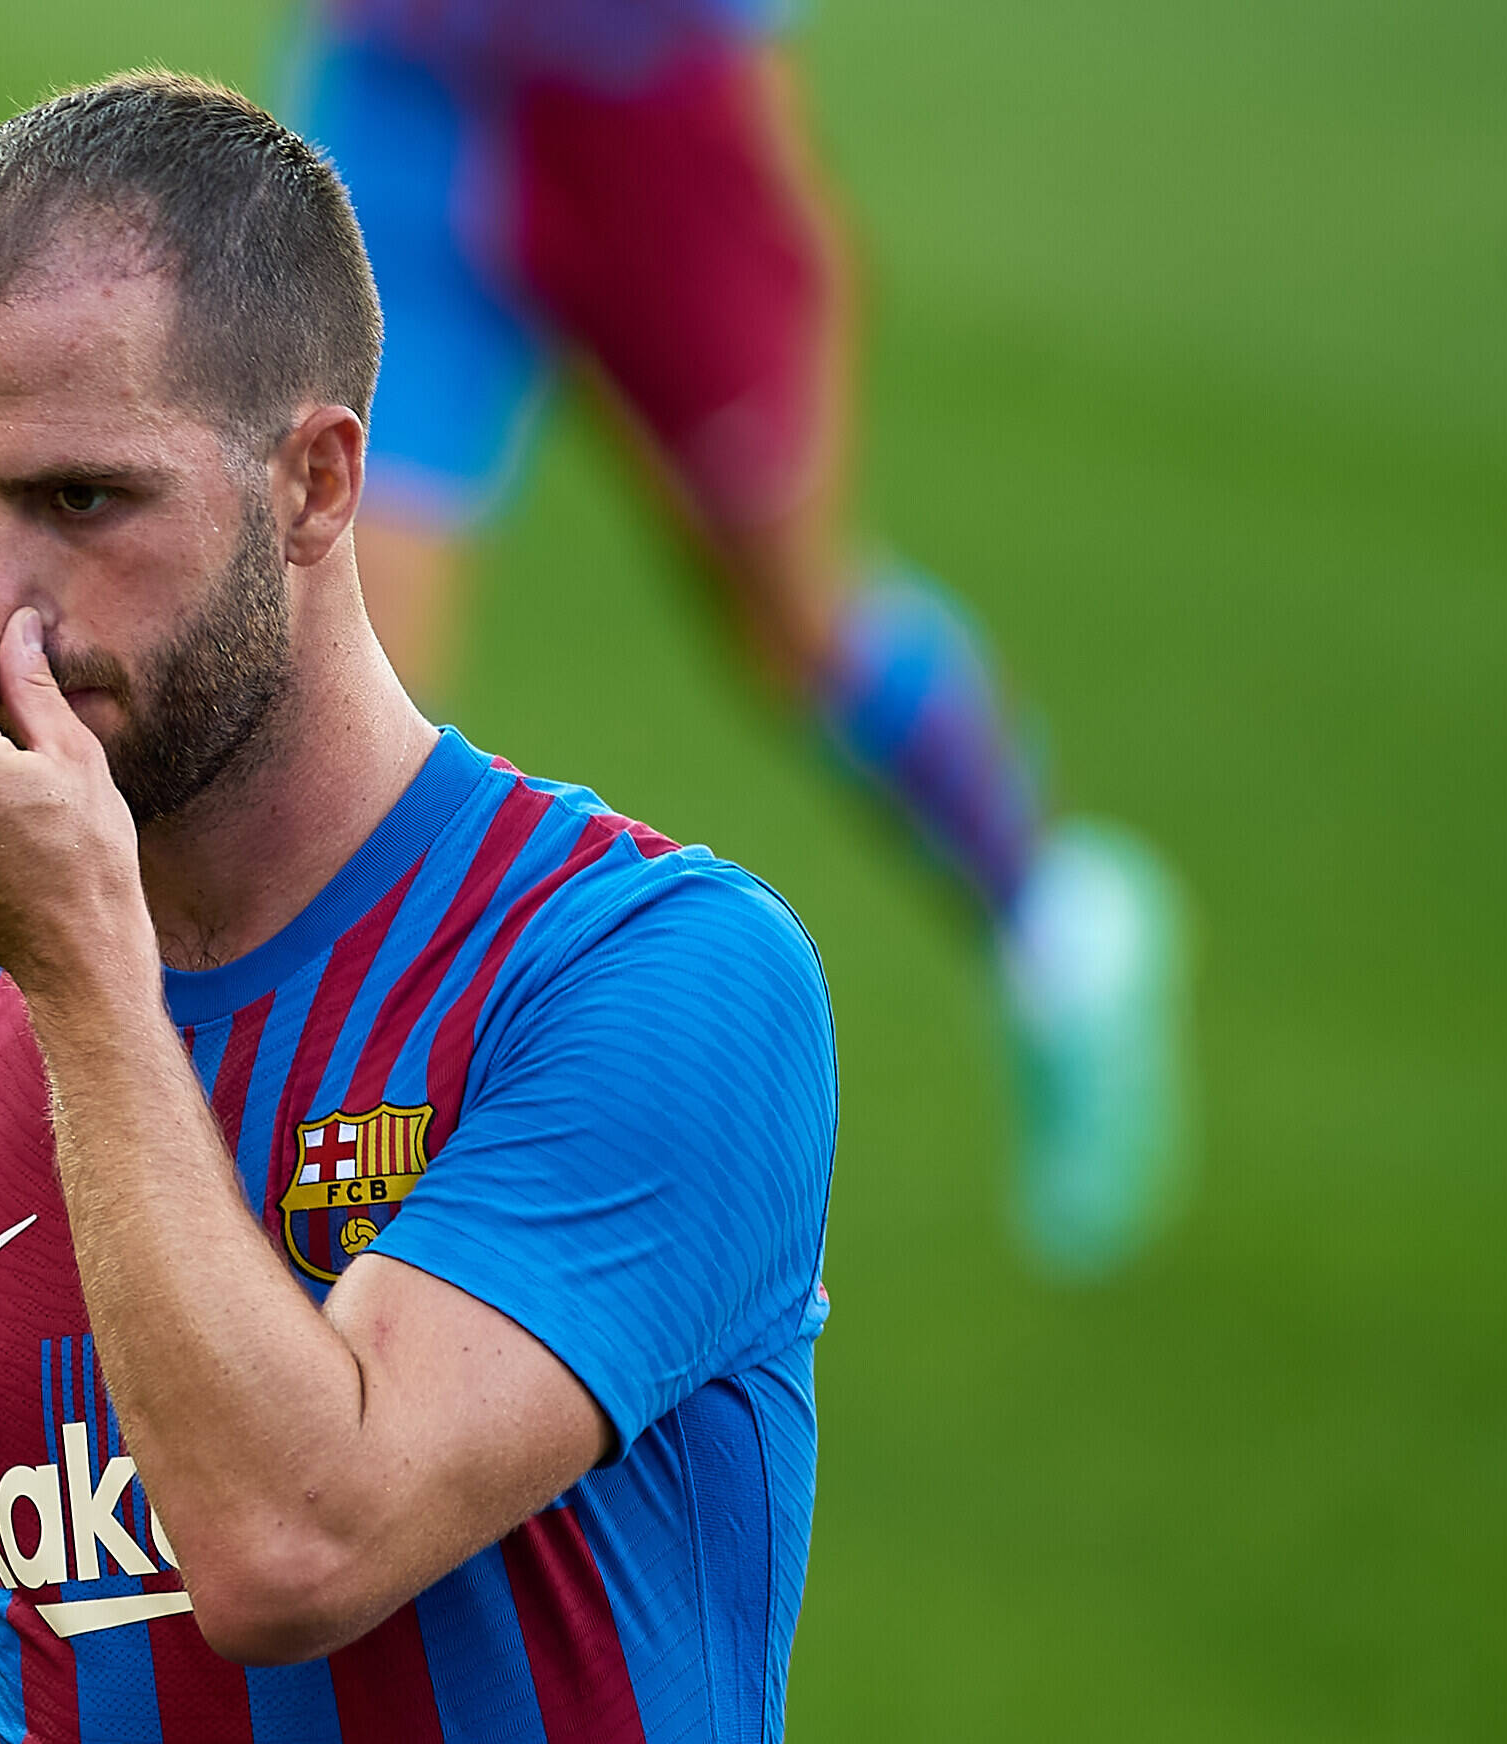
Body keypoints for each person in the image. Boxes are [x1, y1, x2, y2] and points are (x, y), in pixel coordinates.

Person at [0, 73, 834, 1744]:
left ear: (316, 482)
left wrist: (77, 971)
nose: (3, 615)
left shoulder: (642, 977)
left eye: (83, 500)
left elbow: (296, 1549)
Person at [287, 0, 1186, 1274]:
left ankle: (1053, 920)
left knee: (796, 625)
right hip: (403, 104)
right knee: (332, 664)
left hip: (653, 112)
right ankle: (327, 1196)